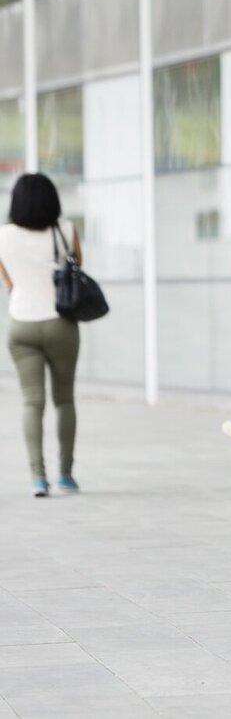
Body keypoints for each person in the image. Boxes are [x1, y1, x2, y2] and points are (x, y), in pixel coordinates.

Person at [0, 173, 82, 498]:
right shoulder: (67, 230)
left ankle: (38, 478)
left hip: (21, 323)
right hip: (61, 323)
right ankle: (65, 474)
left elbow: (6, 277)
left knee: (32, 402)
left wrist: (17, 288)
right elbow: (77, 269)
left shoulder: (3, 236)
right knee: (64, 400)